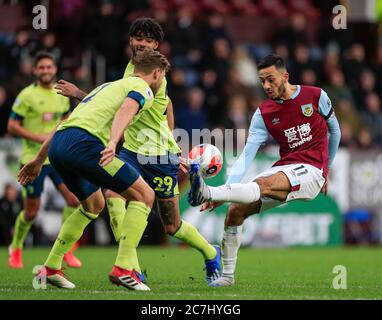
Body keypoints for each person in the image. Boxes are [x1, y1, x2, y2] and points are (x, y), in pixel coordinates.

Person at [54, 17, 221, 285]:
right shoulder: (133, 69)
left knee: (171, 226)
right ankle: (128, 266)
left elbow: (149, 108)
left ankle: (211, 253)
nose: (142, 43)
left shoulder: (156, 73)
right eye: (138, 38)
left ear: (156, 44)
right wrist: (80, 94)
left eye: (148, 39)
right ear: (131, 40)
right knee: (112, 195)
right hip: (132, 151)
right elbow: (118, 102)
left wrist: (170, 143)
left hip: (157, 155)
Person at [19, 49, 168, 291]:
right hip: (85, 145)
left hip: (59, 145)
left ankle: (50, 268)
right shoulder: (144, 89)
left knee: (93, 205)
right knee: (145, 195)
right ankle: (123, 269)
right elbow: (126, 110)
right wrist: (112, 141)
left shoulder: (106, 87)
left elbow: (64, 122)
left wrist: (38, 160)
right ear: (157, 73)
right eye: (163, 77)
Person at [188, 54, 341, 286]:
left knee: (261, 186)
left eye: (271, 79)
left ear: (285, 76)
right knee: (236, 211)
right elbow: (247, 154)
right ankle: (227, 277)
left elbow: (335, 131)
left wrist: (326, 170)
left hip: (311, 170)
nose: (266, 86)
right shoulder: (264, 113)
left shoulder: (316, 96)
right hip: (286, 168)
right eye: (262, 81)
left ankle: (208, 192)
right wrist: (229, 190)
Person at [7, 52, 81, 269]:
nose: (46, 71)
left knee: (74, 201)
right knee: (31, 212)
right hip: (32, 160)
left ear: (55, 69)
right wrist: (40, 138)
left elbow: (66, 118)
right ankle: (16, 247)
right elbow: (11, 126)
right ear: (34, 71)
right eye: (42, 68)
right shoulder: (26, 95)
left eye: (49, 67)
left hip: (57, 157)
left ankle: (64, 249)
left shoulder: (61, 93)